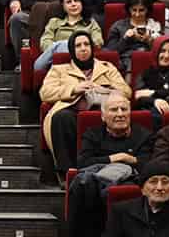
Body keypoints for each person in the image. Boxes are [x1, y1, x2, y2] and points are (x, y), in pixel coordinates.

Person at [39, 32, 130, 175]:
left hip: (103, 110)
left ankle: (104, 169)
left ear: (92, 48)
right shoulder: (59, 69)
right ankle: (68, 172)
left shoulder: (107, 67)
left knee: (109, 116)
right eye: (78, 46)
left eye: (86, 44)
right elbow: (45, 93)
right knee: (61, 117)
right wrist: (74, 89)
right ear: (72, 50)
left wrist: (104, 89)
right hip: (73, 110)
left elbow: (126, 91)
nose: (83, 48)